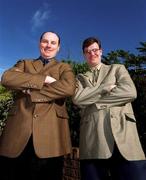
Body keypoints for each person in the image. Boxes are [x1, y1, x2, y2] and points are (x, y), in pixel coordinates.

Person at [0, 31, 76, 180]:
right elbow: (7, 78)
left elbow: (68, 88)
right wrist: (45, 79)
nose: (48, 45)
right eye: (45, 41)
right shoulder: (24, 63)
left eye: (53, 43)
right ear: (39, 43)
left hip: (51, 135)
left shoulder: (64, 68)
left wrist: (31, 91)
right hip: (17, 132)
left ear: (58, 47)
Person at [72, 37, 146, 180]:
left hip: (124, 137)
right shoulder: (79, 78)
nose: (92, 53)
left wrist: (95, 102)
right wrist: (104, 88)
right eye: (87, 51)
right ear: (84, 55)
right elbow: (78, 99)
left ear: (101, 51)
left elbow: (129, 92)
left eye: (94, 50)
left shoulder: (117, 68)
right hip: (92, 140)